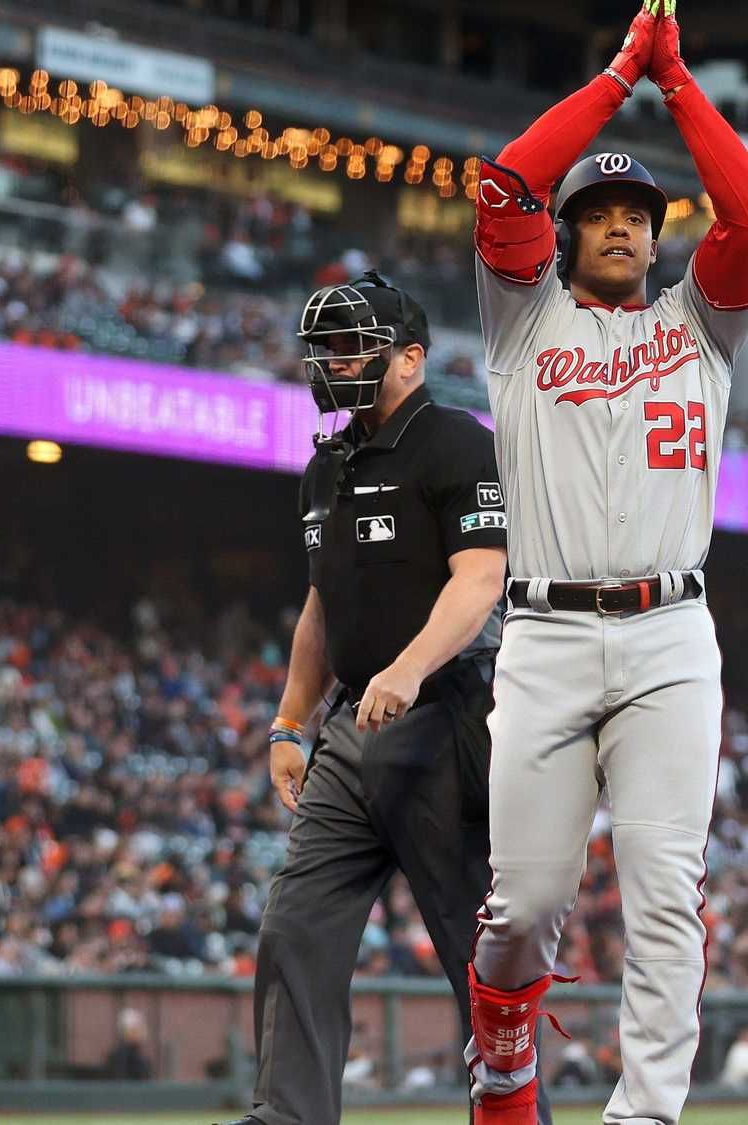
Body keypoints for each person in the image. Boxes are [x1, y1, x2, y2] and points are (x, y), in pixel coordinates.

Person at [462, 0, 748, 1121]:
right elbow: (505, 184)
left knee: (664, 892)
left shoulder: (702, 329)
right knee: (525, 904)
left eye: (635, 215)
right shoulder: (521, 321)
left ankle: (644, 1113)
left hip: (669, 634)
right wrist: (615, 78)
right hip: (544, 633)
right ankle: (505, 1053)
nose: (615, 227)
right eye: (593, 213)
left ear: (655, 237)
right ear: (565, 235)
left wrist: (677, 86)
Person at [221, 272, 533, 1125]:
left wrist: (411, 667)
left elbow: (482, 579)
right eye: (326, 348)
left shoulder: (455, 443)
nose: (334, 362)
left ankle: (516, 1116)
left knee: (474, 947)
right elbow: (322, 607)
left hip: (445, 714)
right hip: (352, 728)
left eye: (354, 347)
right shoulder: (326, 467)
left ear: (410, 359)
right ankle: (290, 1114)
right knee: (296, 920)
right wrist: (289, 722)